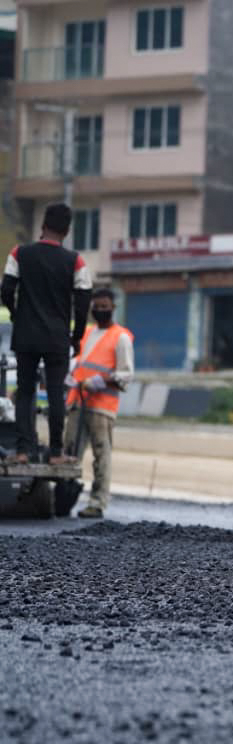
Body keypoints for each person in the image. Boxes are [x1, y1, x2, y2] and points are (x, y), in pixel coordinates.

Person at [0, 203, 93, 464]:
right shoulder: (76, 261)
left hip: (26, 336)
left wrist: (17, 314)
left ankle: (21, 451)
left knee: (25, 392)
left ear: (43, 226)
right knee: (55, 393)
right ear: (67, 231)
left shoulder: (19, 253)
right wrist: (76, 335)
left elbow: (6, 289)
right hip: (57, 338)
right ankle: (55, 453)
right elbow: (84, 299)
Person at [65, 288, 133, 519]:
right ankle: (63, 499)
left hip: (102, 407)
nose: (100, 310)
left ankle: (98, 502)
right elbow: (78, 363)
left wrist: (102, 381)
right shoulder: (86, 334)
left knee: (101, 455)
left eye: (105, 306)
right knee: (69, 453)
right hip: (78, 403)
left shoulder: (120, 337)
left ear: (113, 308)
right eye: (97, 307)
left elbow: (126, 375)